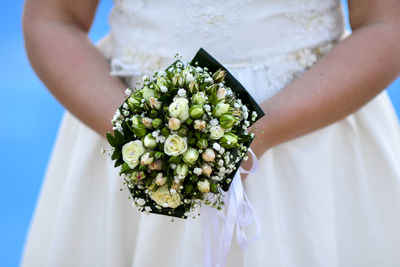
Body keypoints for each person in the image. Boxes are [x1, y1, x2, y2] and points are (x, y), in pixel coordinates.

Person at [21, 0, 400, 266]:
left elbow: (387, 23)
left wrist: (258, 133)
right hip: (130, 129)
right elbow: (53, 18)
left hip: (311, 138)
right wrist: (141, 135)